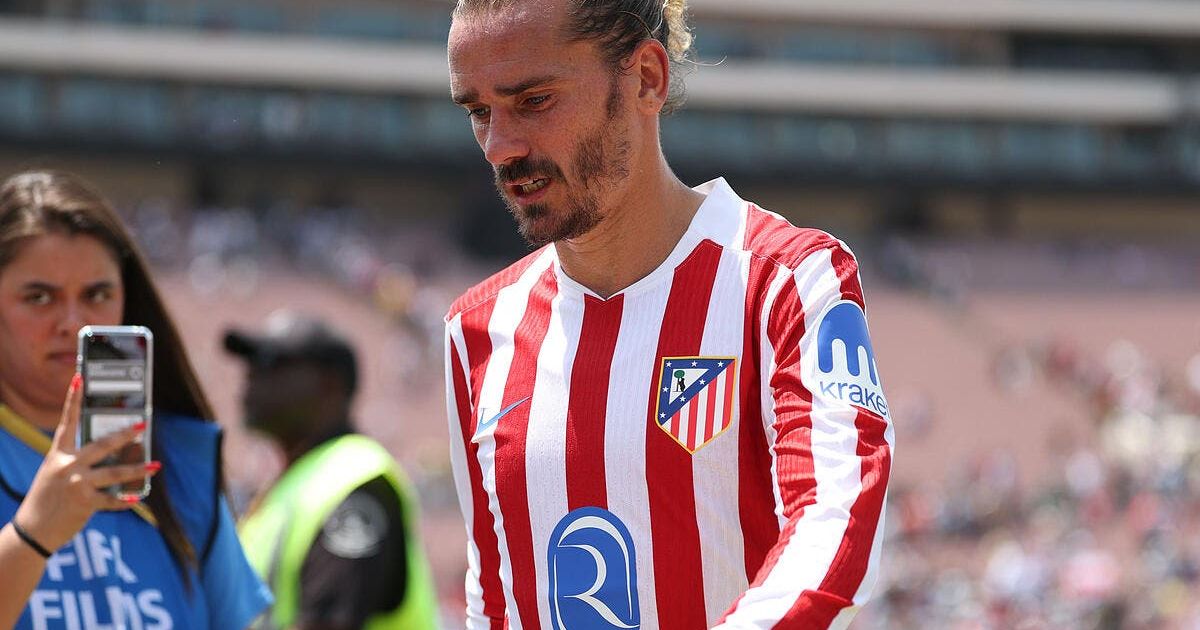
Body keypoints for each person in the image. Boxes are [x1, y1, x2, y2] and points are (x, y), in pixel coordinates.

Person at [443, 1, 895, 628]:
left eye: (535, 101)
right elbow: (497, 601)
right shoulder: (476, 332)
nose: (500, 147)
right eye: (478, 112)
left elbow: (836, 524)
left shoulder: (788, 281)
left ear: (647, 80)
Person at [0, 170, 272, 629]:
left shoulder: (182, 461)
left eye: (98, 294)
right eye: (40, 297)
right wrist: (33, 536)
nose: (74, 322)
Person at [226, 311, 438, 630]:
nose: (250, 378)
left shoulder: (355, 479)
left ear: (329, 386)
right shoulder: (291, 485)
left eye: (271, 364)